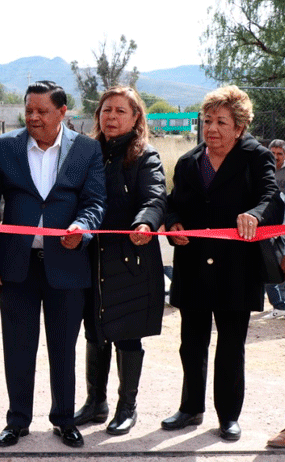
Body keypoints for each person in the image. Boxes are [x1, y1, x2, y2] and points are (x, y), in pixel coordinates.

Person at [0, 80, 106, 449]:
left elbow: (96, 202)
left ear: (63, 112)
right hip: (17, 265)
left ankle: (64, 419)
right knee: (18, 346)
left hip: (67, 263)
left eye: (42, 111)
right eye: (29, 110)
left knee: (63, 347)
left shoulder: (87, 151)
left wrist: (83, 228)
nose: (33, 117)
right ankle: (17, 421)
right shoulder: (4, 147)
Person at [162, 86, 278, 441]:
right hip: (193, 266)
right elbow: (173, 202)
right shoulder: (188, 161)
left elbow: (272, 197)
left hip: (236, 269)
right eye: (208, 120)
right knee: (191, 342)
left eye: (221, 122)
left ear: (239, 127)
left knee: (231, 345)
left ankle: (228, 416)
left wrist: (256, 216)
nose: (211, 128)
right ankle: (190, 408)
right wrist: (174, 224)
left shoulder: (256, 157)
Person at [73, 86, 166, 436]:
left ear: (136, 117)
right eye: (106, 110)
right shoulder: (86, 152)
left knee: (127, 334)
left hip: (130, 259)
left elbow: (156, 197)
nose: (111, 117)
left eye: (120, 111)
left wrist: (145, 221)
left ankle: (127, 407)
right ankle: (96, 403)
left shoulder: (145, 156)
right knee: (94, 333)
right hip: (91, 258)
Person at [263, 139, 285, 320]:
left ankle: (280, 304)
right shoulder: (262, 169)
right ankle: (279, 304)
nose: (276, 157)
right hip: (267, 226)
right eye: (273, 153)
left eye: (280, 154)